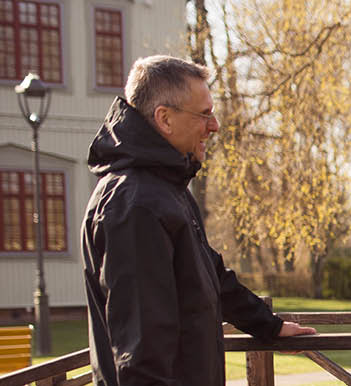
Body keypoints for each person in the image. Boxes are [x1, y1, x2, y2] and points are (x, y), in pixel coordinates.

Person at [81, 55, 317, 385]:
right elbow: (140, 355)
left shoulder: (165, 190)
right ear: (164, 119)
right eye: (204, 114)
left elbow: (210, 275)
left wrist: (269, 326)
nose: (215, 125)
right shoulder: (135, 205)